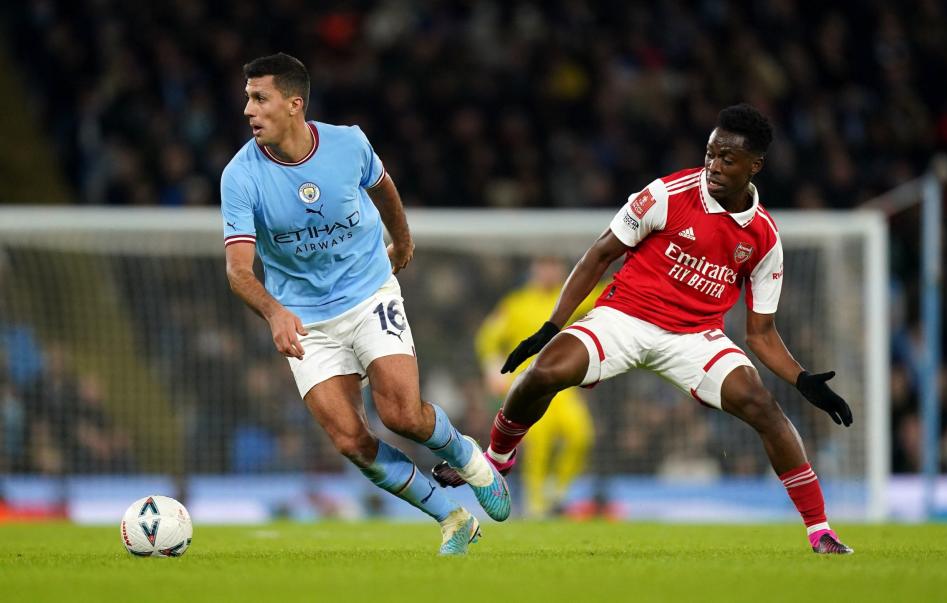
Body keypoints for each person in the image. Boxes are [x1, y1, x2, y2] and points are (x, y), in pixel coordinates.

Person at [435, 104, 855, 554]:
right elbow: (600, 254)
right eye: (710, 153)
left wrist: (802, 379)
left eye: (727, 159)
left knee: (763, 406)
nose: (713, 165)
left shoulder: (764, 238)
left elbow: (761, 335)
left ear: (755, 166)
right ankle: (495, 463)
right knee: (544, 371)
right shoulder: (667, 194)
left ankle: (820, 530)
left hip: (696, 338)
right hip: (626, 317)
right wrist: (551, 326)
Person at [220, 53, 509, 555]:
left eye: (259, 98)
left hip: (368, 293)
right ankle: (452, 519)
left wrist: (403, 238)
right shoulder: (241, 176)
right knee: (351, 440)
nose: (249, 109)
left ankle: (468, 458)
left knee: (401, 415)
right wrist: (275, 312)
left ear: (294, 104)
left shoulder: (348, 143)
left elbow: (384, 189)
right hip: (305, 319)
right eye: (247, 98)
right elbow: (238, 271)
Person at [450, 256, 601, 517]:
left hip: (564, 387)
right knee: (538, 444)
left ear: (564, 269)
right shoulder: (516, 304)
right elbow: (488, 337)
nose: (549, 271)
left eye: (553, 265)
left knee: (581, 435)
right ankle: (537, 506)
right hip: (528, 386)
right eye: (544, 265)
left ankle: (557, 491)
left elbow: (608, 292)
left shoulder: (571, 297)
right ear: (534, 269)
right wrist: (491, 367)